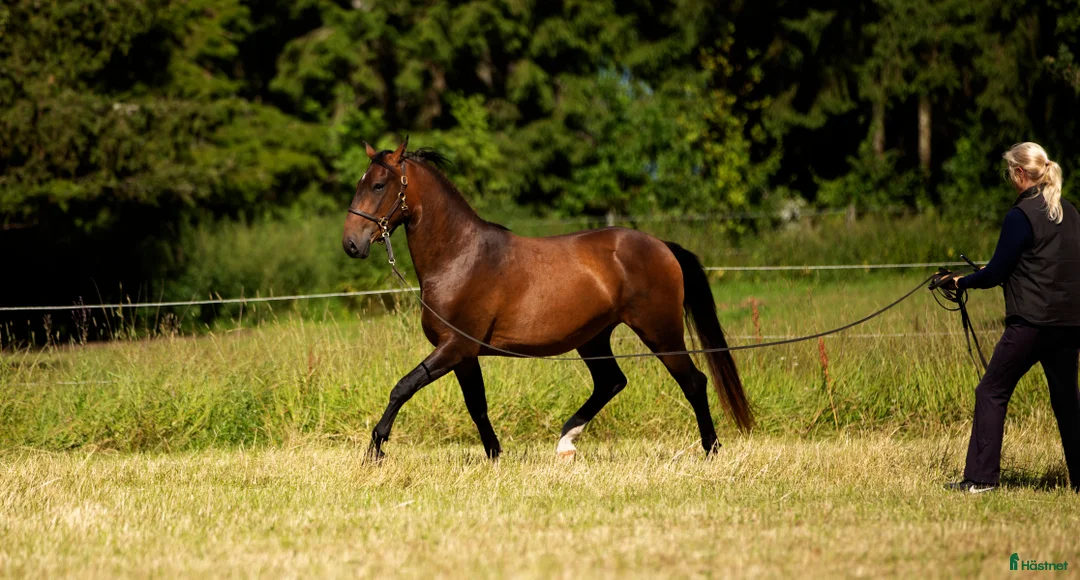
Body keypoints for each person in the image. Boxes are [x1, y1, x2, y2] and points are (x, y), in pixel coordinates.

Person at [941, 142, 1080, 493]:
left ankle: (980, 479)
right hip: (1069, 324)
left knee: (992, 390)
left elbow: (996, 272)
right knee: (1067, 401)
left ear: (1020, 174)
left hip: (1031, 323)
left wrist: (960, 281)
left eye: (1009, 173)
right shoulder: (1071, 212)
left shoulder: (1020, 215)